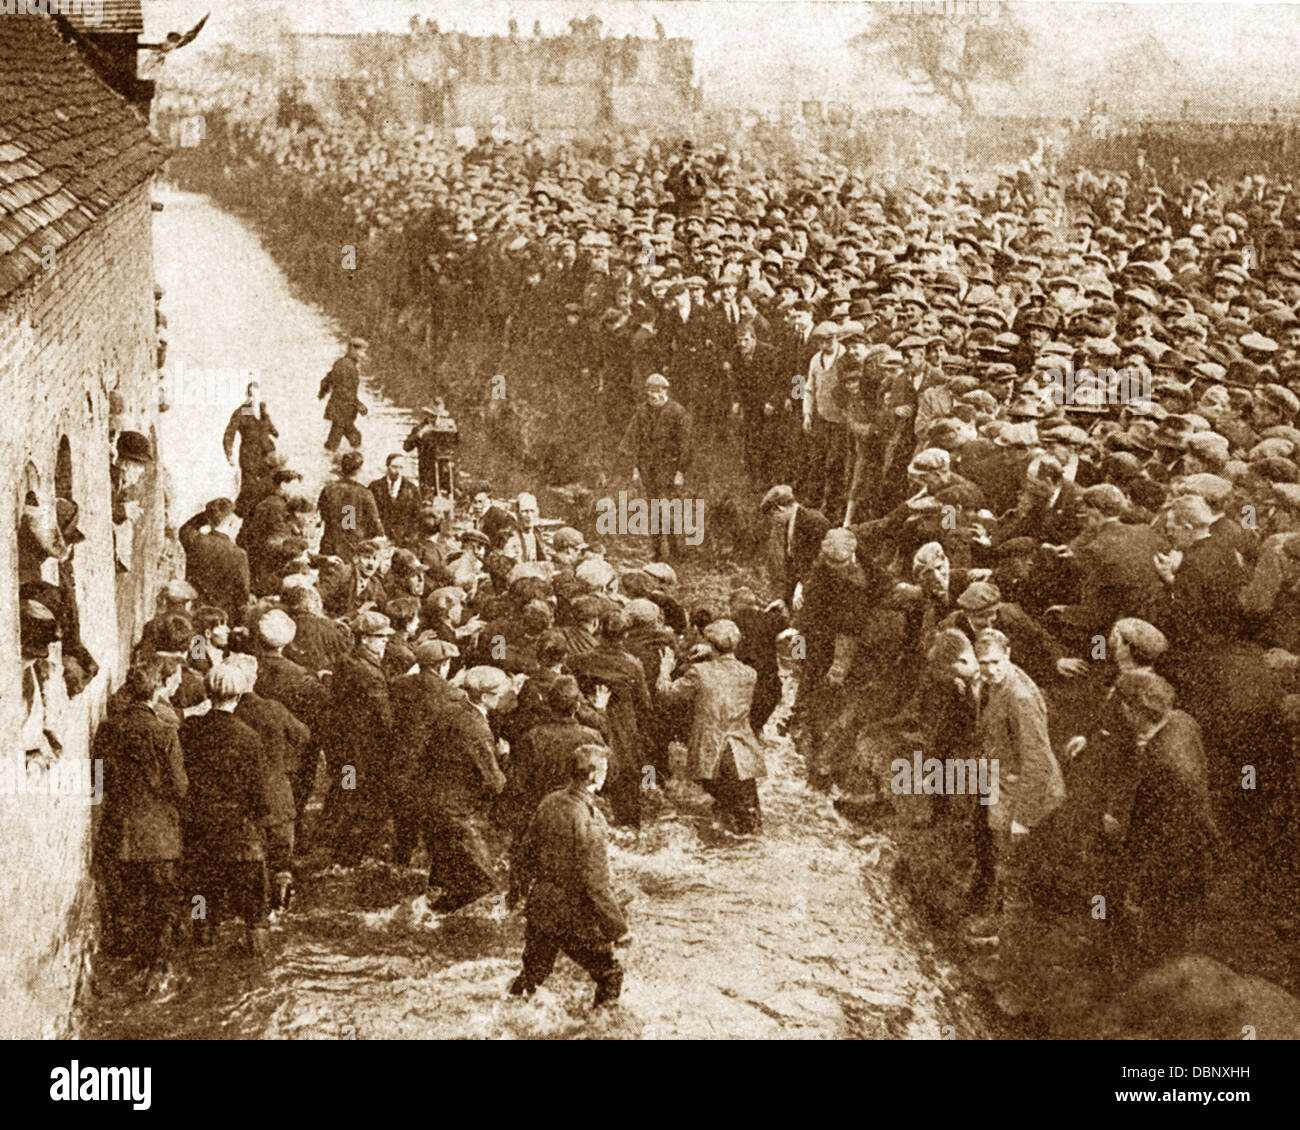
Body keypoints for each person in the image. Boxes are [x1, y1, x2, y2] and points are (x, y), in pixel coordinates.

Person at [1106, 669, 1218, 969]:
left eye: (1122, 706)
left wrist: (1139, 886)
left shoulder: (1165, 765)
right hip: (1195, 849)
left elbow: (1164, 837)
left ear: (1133, 710)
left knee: (1159, 942)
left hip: (1174, 866)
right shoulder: (1181, 721)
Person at [508, 744, 629, 1008]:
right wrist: (618, 929)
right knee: (610, 974)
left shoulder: (549, 801)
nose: (606, 775)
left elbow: (525, 852)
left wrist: (516, 893)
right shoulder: (591, 819)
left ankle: (504, 1014)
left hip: (541, 907)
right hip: (574, 914)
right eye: (604, 770)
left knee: (533, 976)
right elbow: (596, 883)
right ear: (594, 776)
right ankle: (598, 1031)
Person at [94, 654, 188, 991]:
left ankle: (125, 969)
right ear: (155, 692)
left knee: (127, 903)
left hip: (118, 831)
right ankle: (157, 970)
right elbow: (180, 787)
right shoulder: (164, 732)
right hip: (158, 836)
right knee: (160, 906)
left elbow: (96, 784)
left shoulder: (107, 728)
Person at [969, 628, 1066, 936]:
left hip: (1027, 792)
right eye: (983, 663)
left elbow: (1036, 762)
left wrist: (1022, 818)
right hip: (1005, 783)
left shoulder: (1019, 696)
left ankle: (1007, 937)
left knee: (1013, 865)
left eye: (996, 662)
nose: (990, 670)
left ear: (1008, 654)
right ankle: (1001, 921)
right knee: (1003, 858)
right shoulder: (994, 684)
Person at [178, 663, 271, 955]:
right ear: (240, 696)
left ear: (208, 692)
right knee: (255, 913)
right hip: (239, 835)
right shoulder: (249, 737)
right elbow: (259, 796)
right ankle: (258, 965)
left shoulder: (189, 731)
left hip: (200, 834)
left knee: (201, 904)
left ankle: (200, 953)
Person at [657, 618, 766, 833]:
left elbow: (666, 694)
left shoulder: (698, 673)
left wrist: (664, 670)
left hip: (709, 753)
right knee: (748, 819)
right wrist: (712, 652)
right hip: (742, 754)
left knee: (721, 809)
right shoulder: (749, 674)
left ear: (711, 644)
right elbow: (725, 672)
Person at [423, 665, 510, 912]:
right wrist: (503, 757)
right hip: (454, 814)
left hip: (432, 804)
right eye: (498, 694)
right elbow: (495, 783)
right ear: (484, 697)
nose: (502, 697)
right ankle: (498, 926)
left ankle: (427, 915)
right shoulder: (478, 729)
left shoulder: (451, 711)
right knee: (487, 882)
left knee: (444, 879)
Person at [618, 373, 692, 561]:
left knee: (669, 509)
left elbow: (686, 445)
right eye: (649, 394)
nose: (652, 398)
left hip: (669, 469)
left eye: (656, 394)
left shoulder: (678, 412)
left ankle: (677, 552)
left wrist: (680, 471)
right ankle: (658, 552)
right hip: (648, 468)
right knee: (653, 510)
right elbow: (632, 440)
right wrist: (635, 467)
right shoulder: (642, 412)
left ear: (664, 393)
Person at [317, 451, 384, 562]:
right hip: (353, 547)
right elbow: (375, 523)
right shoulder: (364, 492)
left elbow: (323, 516)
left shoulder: (328, 490)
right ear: (359, 470)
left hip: (330, 545)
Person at [319, 337, 369, 451]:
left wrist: (323, 391)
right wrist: (358, 404)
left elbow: (328, 379)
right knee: (349, 439)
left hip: (342, 411)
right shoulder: (346, 366)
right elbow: (344, 390)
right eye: (362, 351)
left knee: (340, 440)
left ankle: (332, 462)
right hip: (341, 411)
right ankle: (344, 463)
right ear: (353, 350)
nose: (363, 355)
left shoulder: (343, 363)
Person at [369, 452, 422, 548]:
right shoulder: (375, 487)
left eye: (401, 467)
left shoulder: (412, 489)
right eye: (394, 467)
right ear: (387, 466)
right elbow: (368, 514)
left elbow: (417, 517)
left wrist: (409, 538)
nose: (398, 471)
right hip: (381, 540)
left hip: (404, 542)